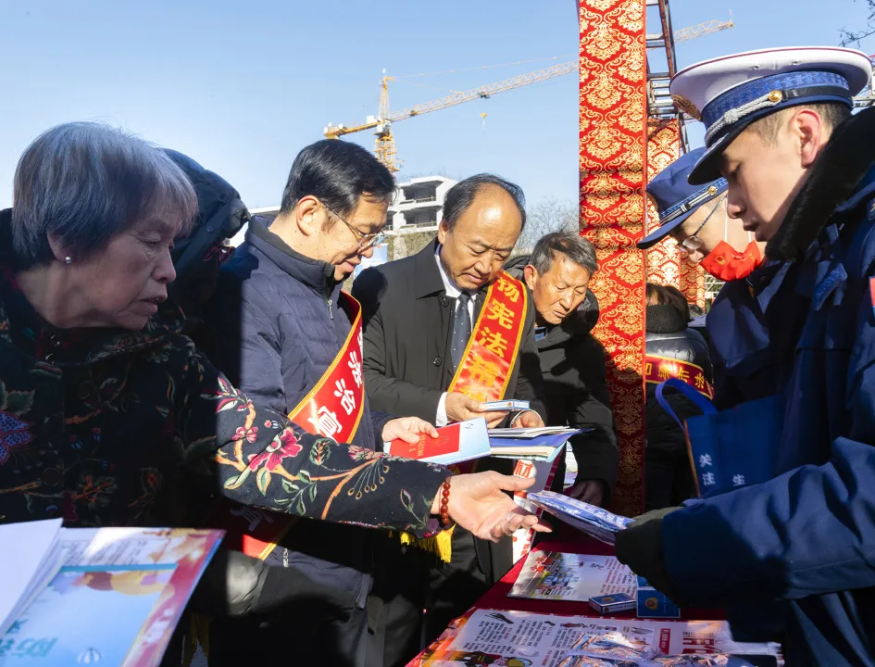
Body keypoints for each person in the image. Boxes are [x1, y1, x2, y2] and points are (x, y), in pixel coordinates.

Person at [0, 123, 545, 656]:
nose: (170, 270)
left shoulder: (161, 353)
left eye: (173, 246)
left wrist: (438, 491)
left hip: (129, 630)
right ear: (67, 238)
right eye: (151, 243)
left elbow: (264, 448)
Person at [616, 47, 875, 666]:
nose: (733, 203)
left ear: (804, 133)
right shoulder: (853, 244)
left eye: (736, 173)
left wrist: (703, 539)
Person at [202, 140, 443, 665]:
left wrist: (380, 429)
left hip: (347, 559)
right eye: (364, 233)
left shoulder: (327, 293)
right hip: (283, 576)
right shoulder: (241, 294)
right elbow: (259, 444)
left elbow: (328, 413)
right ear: (311, 213)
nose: (369, 251)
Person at [353, 174, 547, 667]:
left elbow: (523, 383)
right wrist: (442, 405)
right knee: (391, 634)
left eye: (502, 254)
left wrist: (532, 416)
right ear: (443, 229)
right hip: (401, 493)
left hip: (476, 494)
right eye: (478, 248)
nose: (487, 266)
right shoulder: (382, 285)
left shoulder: (511, 300)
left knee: (463, 631)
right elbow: (362, 383)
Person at [639, 148, 782, 410]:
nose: (694, 258)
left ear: (733, 202)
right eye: (683, 246)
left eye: (693, 238)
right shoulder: (724, 314)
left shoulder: (817, 267)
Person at [504, 232, 618, 507]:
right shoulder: (483, 314)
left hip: (535, 485)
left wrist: (596, 475)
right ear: (531, 276)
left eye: (579, 292)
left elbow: (592, 417)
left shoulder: (581, 348)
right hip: (471, 469)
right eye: (561, 287)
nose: (569, 302)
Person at [642, 283, 711, 510]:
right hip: (692, 433)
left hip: (648, 438)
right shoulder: (696, 339)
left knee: (652, 507)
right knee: (688, 503)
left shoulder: (632, 343)